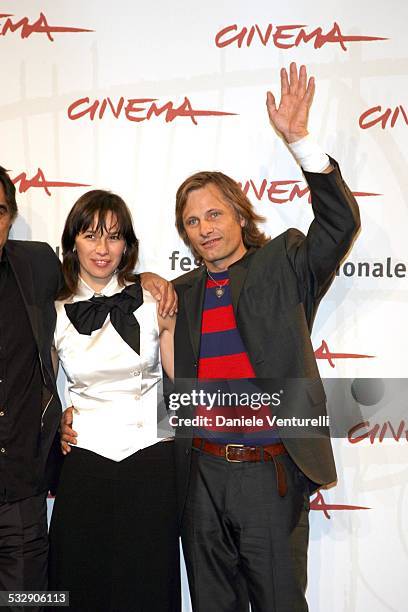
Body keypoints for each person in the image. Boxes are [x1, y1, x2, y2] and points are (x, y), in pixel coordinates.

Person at [171, 63, 360, 611]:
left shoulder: (284, 262)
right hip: (200, 476)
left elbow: (340, 224)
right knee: (212, 604)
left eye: (214, 214)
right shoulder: (179, 292)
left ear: (239, 213)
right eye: (191, 221)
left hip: (268, 476)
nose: (204, 228)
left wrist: (301, 142)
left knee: (279, 602)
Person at [48, 189, 180, 612]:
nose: (102, 249)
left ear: (128, 245)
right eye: (90, 236)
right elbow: (42, 394)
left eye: (114, 236)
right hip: (85, 461)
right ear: (72, 243)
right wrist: (58, 423)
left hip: (152, 460)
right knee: (78, 581)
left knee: (147, 581)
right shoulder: (52, 311)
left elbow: (178, 383)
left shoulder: (158, 299)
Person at [0, 166, 62, 607]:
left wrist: (147, 282)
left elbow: (96, 284)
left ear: (10, 217)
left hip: (20, 492)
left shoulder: (37, 264)